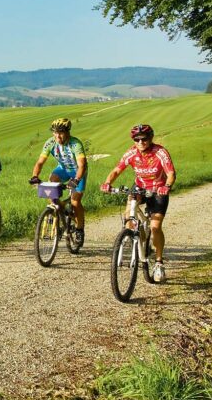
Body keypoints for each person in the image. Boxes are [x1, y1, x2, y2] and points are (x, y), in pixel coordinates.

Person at [100, 124, 176, 282]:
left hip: (158, 190)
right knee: (129, 217)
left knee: (155, 227)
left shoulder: (160, 152)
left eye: (144, 139)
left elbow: (170, 173)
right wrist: (107, 183)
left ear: (151, 138)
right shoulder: (131, 153)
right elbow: (117, 170)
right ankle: (137, 238)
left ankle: (159, 262)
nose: (141, 142)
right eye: (136, 139)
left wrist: (167, 186)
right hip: (140, 187)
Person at [28, 117, 87, 247]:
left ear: (67, 132)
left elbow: (82, 165)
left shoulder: (75, 144)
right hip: (63, 170)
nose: (57, 135)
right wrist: (35, 176)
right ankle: (58, 210)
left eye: (60, 132)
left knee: (75, 201)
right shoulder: (50, 143)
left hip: (78, 172)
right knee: (51, 185)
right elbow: (40, 162)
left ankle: (79, 229)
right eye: (54, 132)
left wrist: (76, 180)